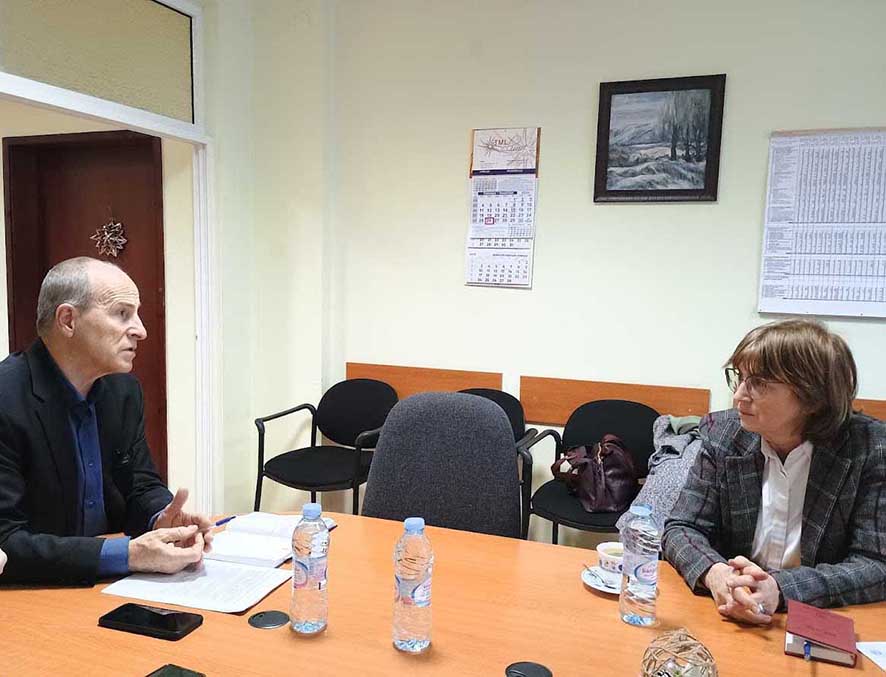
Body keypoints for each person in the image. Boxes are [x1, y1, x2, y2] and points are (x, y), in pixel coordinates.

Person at [0, 257, 213, 585]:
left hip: (111, 585)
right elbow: (5, 539)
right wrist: (126, 555)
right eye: (122, 313)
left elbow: (140, 483)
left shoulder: (123, 391)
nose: (141, 330)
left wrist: (163, 519)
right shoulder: (6, 397)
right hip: (34, 592)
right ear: (68, 320)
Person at [662, 319, 886, 624]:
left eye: (759, 383)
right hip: (728, 612)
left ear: (813, 397)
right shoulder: (723, 434)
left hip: (815, 619)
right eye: (739, 377)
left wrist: (780, 589)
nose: (739, 395)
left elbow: (875, 564)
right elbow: (682, 528)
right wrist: (717, 575)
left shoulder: (870, 449)